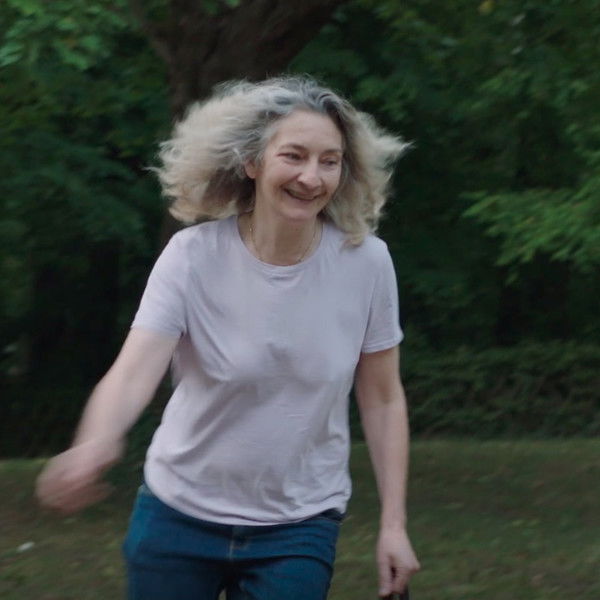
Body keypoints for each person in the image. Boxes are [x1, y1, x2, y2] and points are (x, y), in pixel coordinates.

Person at [36, 76, 420, 599]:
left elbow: (383, 398)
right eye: (294, 156)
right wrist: (96, 441)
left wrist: (394, 525)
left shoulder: (366, 263)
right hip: (178, 515)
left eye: (329, 161)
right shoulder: (191, 257)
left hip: (299, 524)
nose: (311, 177)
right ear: (252, 162)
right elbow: (132, 373)